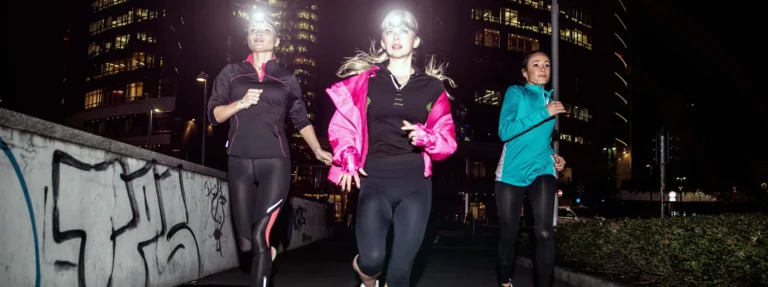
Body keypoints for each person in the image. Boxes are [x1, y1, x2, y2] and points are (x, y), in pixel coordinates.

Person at [326, 9, 458, 287]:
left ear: (417, 41)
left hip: (415, 184)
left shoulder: (432, 88)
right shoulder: (365, 82)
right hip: (373, 179)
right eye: (389, 32)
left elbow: (448, 140)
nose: (396, 37)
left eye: (404, 31)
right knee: (372, 260)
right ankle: (367, 278)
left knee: (399, 273)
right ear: (383, 42)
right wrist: (347, 154)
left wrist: (428, 138)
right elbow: (343, 126)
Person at [206, 10, 332, 287]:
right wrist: (240, 103)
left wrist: (316, 150)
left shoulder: (286, 78)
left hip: (275, 162)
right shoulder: (231, 73)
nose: (259, 33)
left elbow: (300, 118)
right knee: (246, 243)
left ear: (277, 39)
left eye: (265, 29)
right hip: (238, 162)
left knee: (260, 234)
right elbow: (213, 115)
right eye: (253, 29)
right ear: (247, 38)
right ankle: (267, 254)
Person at [494, 50, 567, 287]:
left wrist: (554, 156)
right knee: (509, 233)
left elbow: (541, 141)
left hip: (542, 169)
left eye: (547, 64)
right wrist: (545, 112)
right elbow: (505, 131)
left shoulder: (550, 100)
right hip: (511, 173)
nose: (543, 68)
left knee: (545, 232)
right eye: (536, 64)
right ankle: (504, 280)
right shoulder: (516, 93)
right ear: (525, 73)